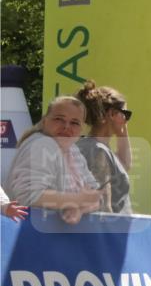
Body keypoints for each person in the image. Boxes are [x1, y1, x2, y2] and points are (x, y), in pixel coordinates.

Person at [4, 96, 102, 224]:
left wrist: (79, 210)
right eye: (59, 119)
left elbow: (96, 196)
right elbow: (28, 196)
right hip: (26, 234)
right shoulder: (42, 144)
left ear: (81, 129)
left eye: (74, 122)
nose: (66, 126)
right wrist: (77, 200)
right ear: (45, 121)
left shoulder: (73, 150)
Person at [75, 80, 133, 214]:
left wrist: (122, 132)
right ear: (112, 114)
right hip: (109, 231)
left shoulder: (97, 148)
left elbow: (124, 165)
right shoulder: (97, 151)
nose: (126, 120)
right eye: (126, 114)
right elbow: (102, 205)